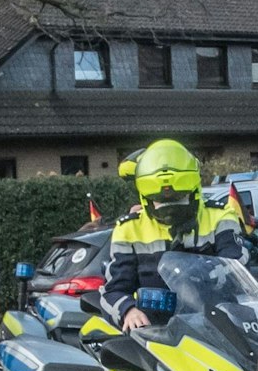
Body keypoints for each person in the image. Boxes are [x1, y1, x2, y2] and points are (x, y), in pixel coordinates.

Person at [101, 139, 246, 331]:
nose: (168, 206)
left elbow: (238, 269)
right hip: (154, 334)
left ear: (194, 190)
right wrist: (129, 311)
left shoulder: (220, 216)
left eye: (178, 197)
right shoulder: (129, 228)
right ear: (144, 197)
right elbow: (113, 290)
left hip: (215, 329)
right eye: (158, 200)